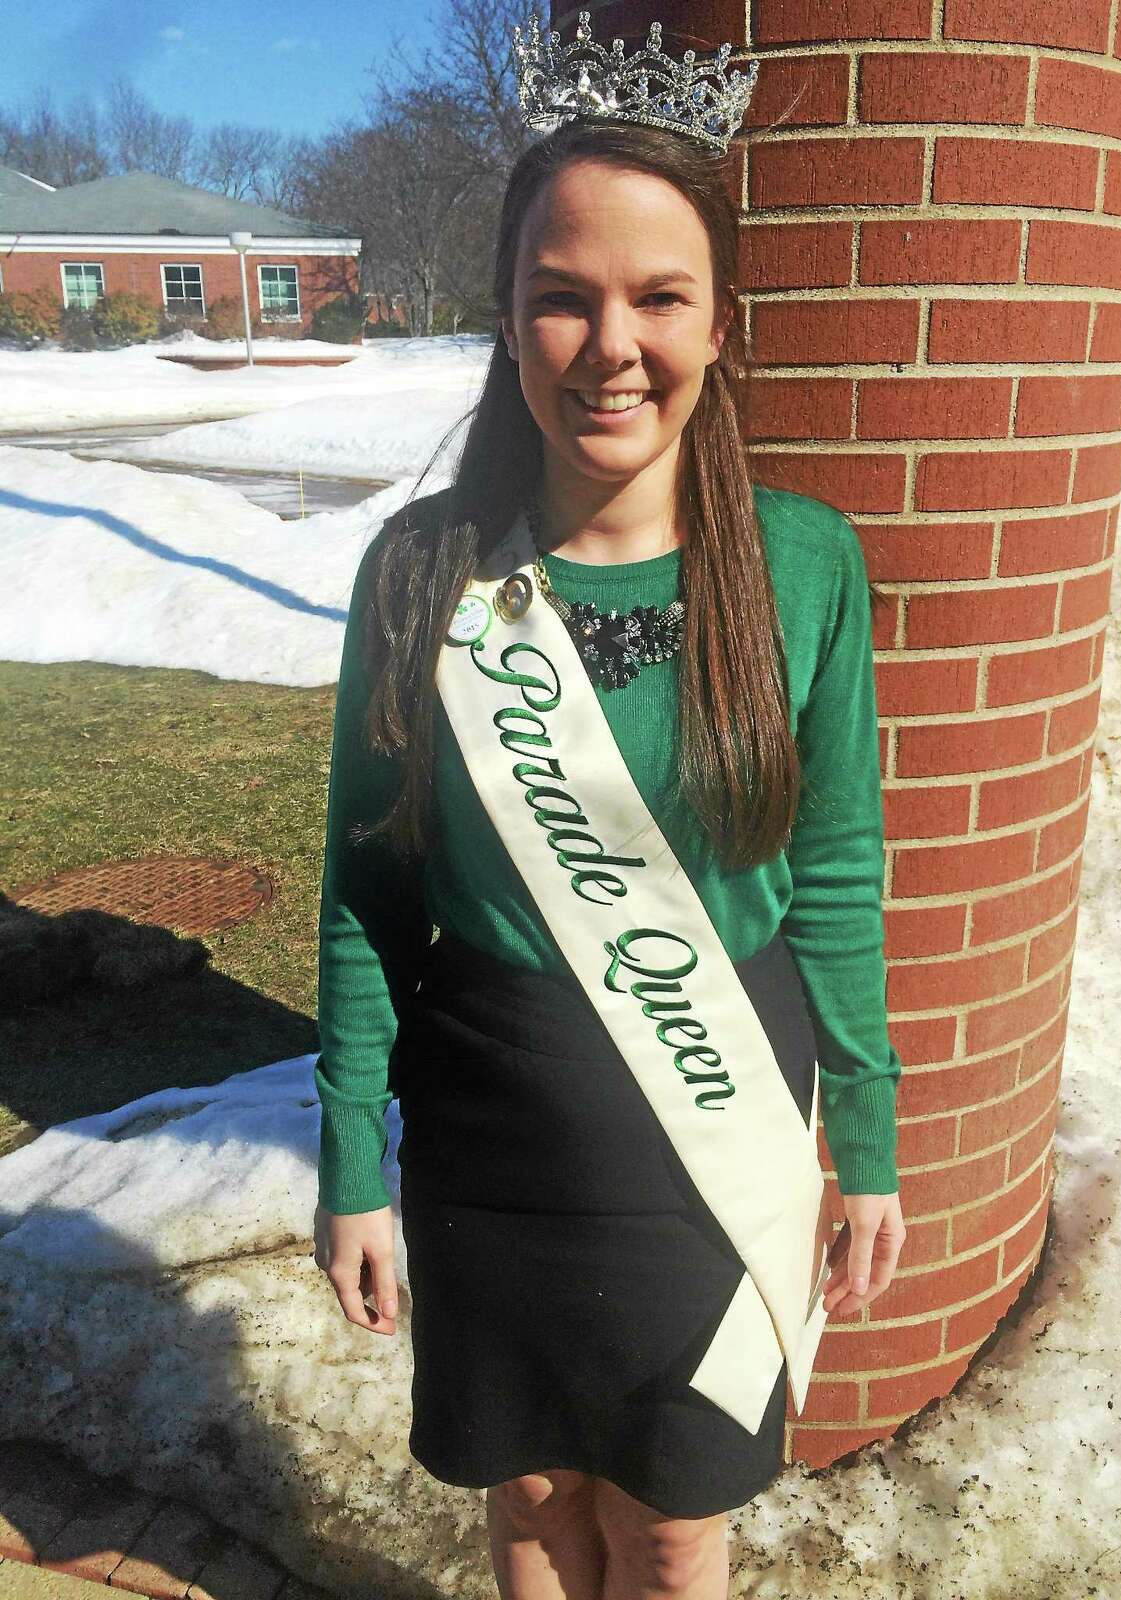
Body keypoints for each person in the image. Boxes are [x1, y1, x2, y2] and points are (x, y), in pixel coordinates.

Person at [312, 14, 906, 1600]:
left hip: (714, 1119)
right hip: (492, 1118)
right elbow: (370, 887)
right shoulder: (422, 575)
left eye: (658, 296)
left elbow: (837, 869)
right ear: (509, 325)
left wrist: (871, 1134)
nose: (611, 343)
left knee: (670, 1523)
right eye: (559, 299)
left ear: (720, 323)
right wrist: (352, 1161)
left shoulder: (804, 565)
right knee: (527, 1501)